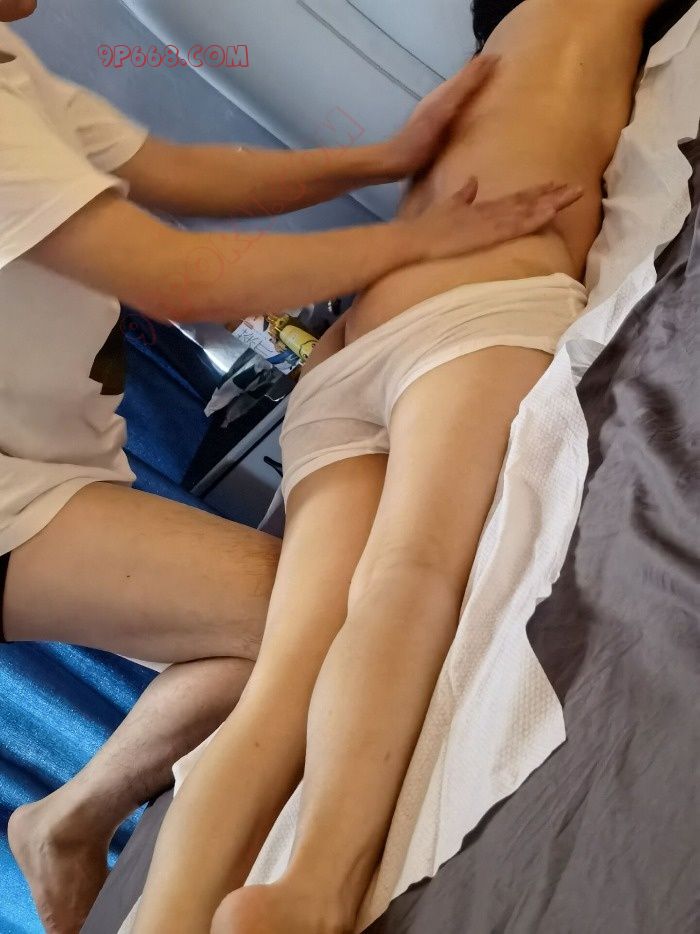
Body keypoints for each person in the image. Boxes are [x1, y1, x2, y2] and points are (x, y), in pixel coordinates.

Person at [0, 1, 580, 931]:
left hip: (344, 361)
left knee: (291, 648)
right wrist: (416, 238)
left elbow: (176, 171)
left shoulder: (9, 59)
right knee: (379, 587)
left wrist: (383, 160)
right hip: (13, 494)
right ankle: (306, 885)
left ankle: (118, 862)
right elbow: (182, 278)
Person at [124, 0, 669, 932]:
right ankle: (316, 885)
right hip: (474, 295)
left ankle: (171, 912)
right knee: (406, 578)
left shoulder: (509, 33)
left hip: (349, 342)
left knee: (285, 674)